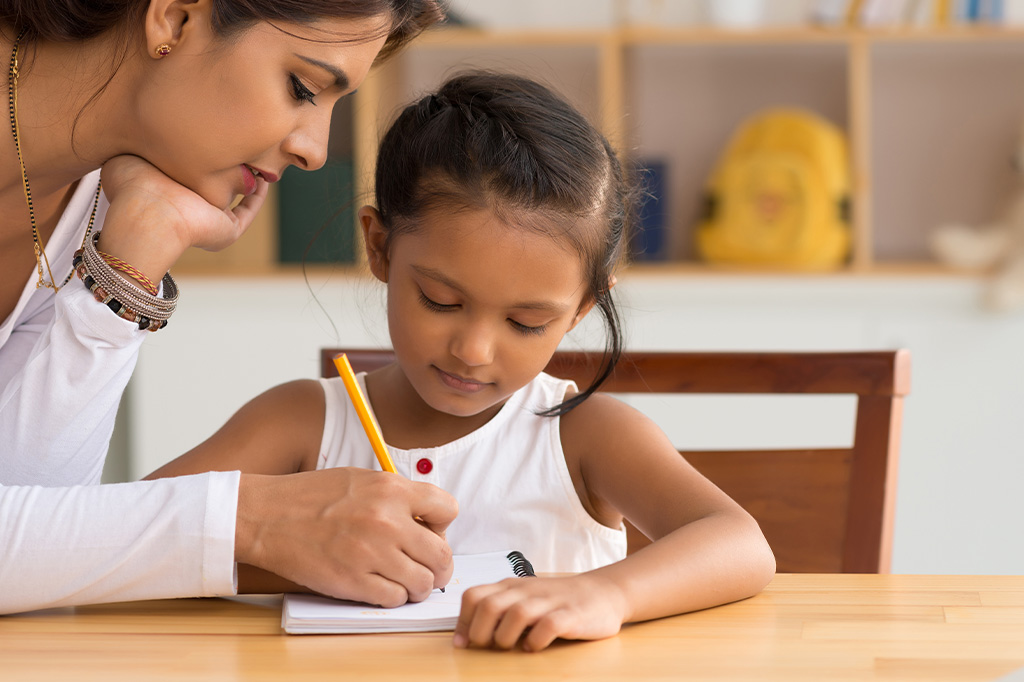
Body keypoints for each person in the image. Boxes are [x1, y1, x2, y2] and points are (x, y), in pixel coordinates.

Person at [147, 71, 777, 651]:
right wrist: (284, 549)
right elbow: (125, 536)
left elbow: (741, 545)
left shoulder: (584, 434)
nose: (473, 351)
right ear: (380, 248)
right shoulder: (302, 421)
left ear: (582, 309)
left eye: (526, 323)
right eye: (440, 301)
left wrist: (607, 592)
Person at [0, 0, 459, 615]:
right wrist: (253, 521)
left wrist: (131, 264)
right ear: (174, 18)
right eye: (303, 87)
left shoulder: (100, 188)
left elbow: (33, 542)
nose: (315, 151)